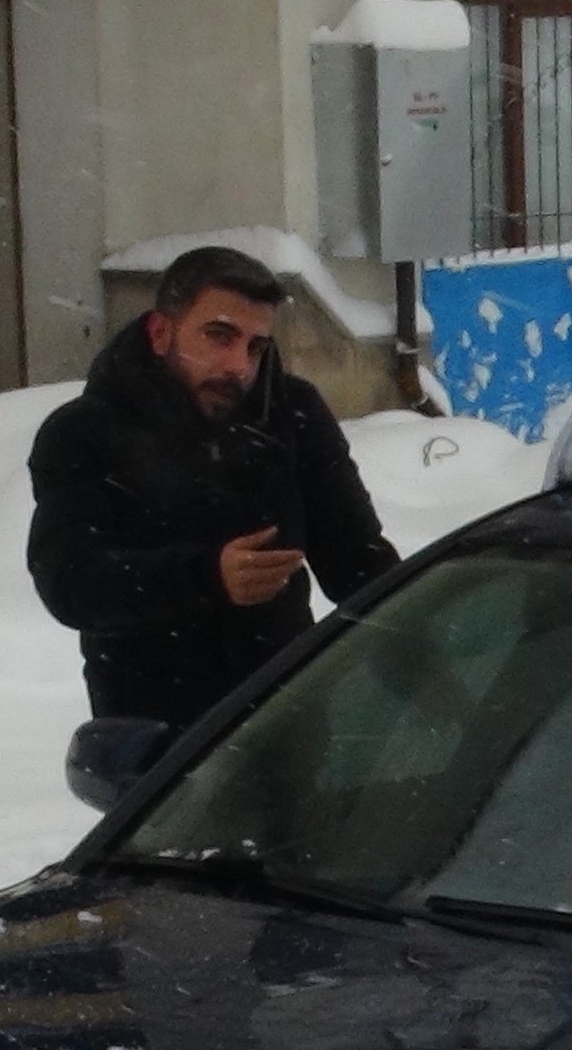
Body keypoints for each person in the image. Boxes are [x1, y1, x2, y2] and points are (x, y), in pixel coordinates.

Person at [27, 246, 399, 729]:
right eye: (219, 337)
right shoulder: (84, 432)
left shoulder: (292, 414)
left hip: (285, 721)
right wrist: (204, 577)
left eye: (256, 347)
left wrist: (424, 655)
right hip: (153, 744)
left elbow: (360, 565)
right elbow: (70, 582)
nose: (238, 366)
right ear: (161, 332)